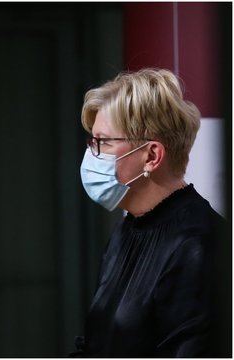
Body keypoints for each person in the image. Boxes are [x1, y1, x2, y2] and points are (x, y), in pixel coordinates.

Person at [78, 68, 229, 357]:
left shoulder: (199, 246)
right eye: (91, 141)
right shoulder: (129, 230)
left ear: (152, 156)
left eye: (104, 142)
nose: (91, 155)